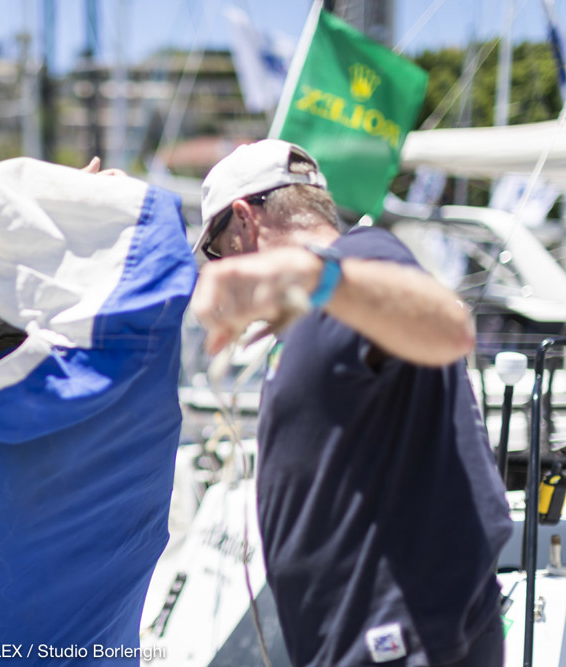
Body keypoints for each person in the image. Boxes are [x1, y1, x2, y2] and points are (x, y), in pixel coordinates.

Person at [190, 139, 513, 666]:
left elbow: (449, 327)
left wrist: (306, 277)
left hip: (397, 639)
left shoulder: (362, 258)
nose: (222, 264)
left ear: (245, 222)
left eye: (219, 247)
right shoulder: (330, 298)